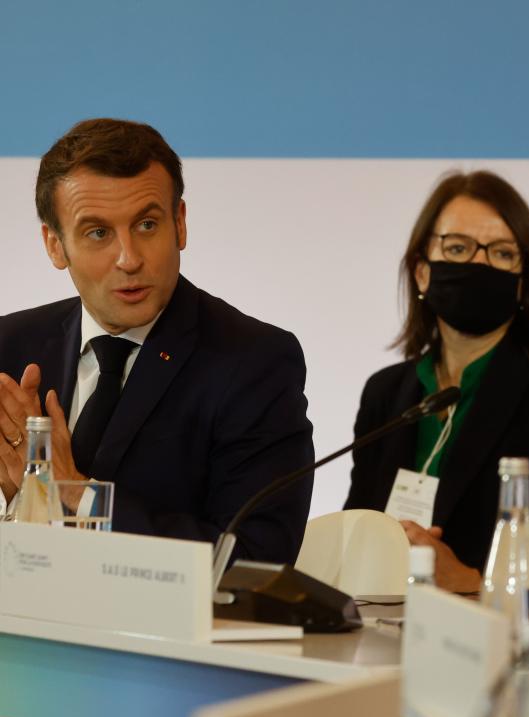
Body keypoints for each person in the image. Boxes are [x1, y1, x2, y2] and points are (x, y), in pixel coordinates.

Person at [0, 118, 314, 564]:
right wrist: (17, 506)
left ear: (180, 223)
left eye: (147, 225)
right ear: (54, 244)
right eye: (98, 233)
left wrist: (74, 493)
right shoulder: (10, 349)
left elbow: (256, 560)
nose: (129, 259)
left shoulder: (254, 362)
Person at [344, 170, 529, 591]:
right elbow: (357, 535)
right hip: (382, 641)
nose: (479, 264)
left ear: (523, 285)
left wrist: (475, 583)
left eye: (502, 254)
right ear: (422, 271)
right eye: (458, 248)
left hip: (515, 643)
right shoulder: (386, 394)